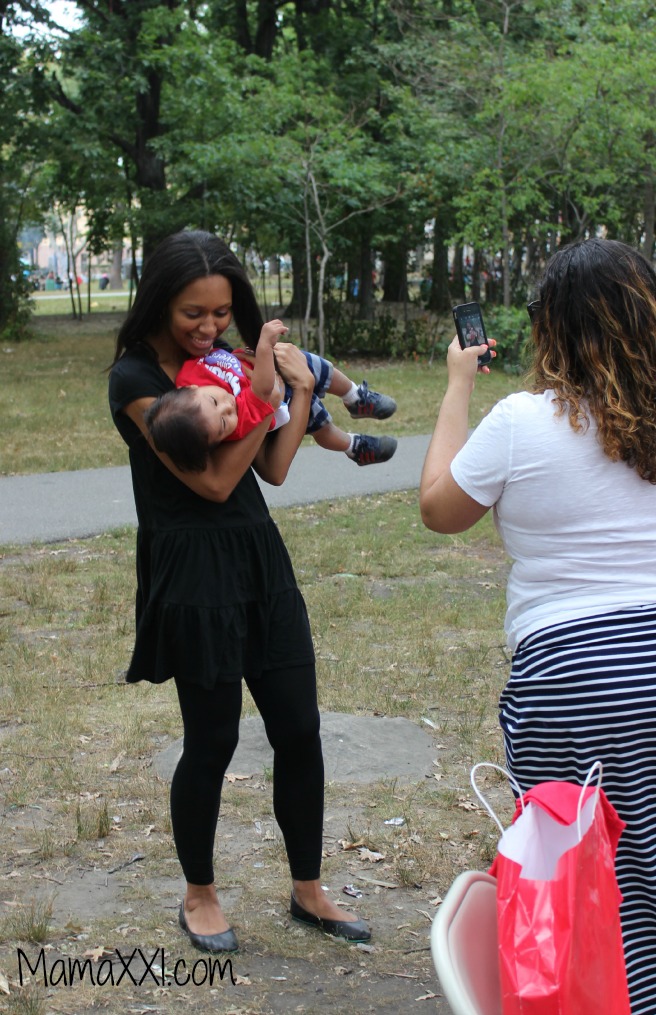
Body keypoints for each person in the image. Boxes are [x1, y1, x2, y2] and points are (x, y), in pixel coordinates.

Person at [108, 230, 371, 954]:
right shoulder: (135, 381)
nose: (210, 327)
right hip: (193, 572)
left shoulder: (223, 362)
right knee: (213, 739)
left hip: (259, 559)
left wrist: (302, 390)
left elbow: (273, 470)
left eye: (222, 313)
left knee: (299, 727)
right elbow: (216, 481)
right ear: (160, 303)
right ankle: (200, 894)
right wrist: (259, 399)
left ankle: (308, 888)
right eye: (193, 313)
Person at [419, 237, 656, 1013]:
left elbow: (439, 508)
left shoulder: (521, 421)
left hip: (571, 680)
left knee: (577, 871)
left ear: (550, 326)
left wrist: (458, 385)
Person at [144, 316, 398, 472]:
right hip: (281, 397)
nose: (228, 407)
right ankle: (354, 446)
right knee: (320, 424)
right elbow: (265, 391)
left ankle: (355, 397)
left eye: (214, 401)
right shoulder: (239, 421)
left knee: (316, 364)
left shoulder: (187, 377)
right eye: (223, 423)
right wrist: (264, 346)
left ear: (189, 389)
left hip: (261, 366)